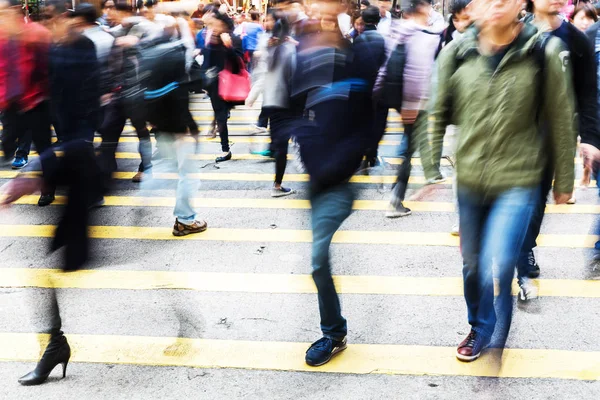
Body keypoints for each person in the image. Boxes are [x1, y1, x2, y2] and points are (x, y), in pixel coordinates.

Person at [422, 0, 576, 362]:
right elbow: (437, 109)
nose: (493, 5)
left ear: (521, 4)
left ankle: (495, 337)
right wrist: (431, 169)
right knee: (473, 263)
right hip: (471, 178)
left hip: (519, 178)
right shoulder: (457, 52)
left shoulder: (543, 50)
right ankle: (480, 325)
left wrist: (564, 180)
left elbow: (561, 116)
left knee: (501, 256)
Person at [1, 0, 103, 385]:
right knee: (49, 272)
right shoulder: (57, 51)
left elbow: (83, 126)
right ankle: (55, 345)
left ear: (66, 19)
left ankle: (55, 347)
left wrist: (36, 170)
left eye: (53, 20)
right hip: (71, 171)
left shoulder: (76, 52)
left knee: (48, 271)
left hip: (82, 175)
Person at [292, 1, 373, 367]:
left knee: (317, 260)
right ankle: (334, 331)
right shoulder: (306, 62)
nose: (324, 26)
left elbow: (368, 125)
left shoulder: (358, 63)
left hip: (338, 182)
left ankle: (333, 333)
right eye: (319, 20)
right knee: (318, 260)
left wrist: (341, 165)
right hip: (315, 179)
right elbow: (290, 112)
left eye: (331, 20)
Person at [518, 0, 600, 299]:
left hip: (552, 136)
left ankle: (525, 249)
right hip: (515, 135)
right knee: (516, 199)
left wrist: (590, 138)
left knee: (537, 200)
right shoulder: (516, 31)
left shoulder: (576, 40)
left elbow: (587, 92)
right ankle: (520, 257)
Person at [375, 0, 445, 218]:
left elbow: (385, 65)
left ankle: (396, 195)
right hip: (412, 103)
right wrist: (413, 106)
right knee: (408, 149)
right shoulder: (423, 35)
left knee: (408, 145)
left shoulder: (395, 28)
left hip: (395, 97)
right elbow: (417, 72)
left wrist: (378, 89)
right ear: (421, 8)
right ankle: (396, 201)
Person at [98, 2, 161, 185]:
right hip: (118, 92)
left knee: (142, 132)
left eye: (113, 10)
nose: (109, 14)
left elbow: (151, 48)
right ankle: (106, 172)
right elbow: (111, 40)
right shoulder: (118, 29)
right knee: (108, 131)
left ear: (125, 12)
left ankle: (146, 168)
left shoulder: (144, 27)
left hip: (139, 92)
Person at [0, 0, 55, 206]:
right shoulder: (2, 36)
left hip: (37, 102)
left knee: (44, 148)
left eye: (3, 12)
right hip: (11, 104)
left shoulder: (37, 33)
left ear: (16, 10)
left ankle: (48, 188)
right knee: (7, 144)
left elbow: (50, 71)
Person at [246, 13, 297, 197]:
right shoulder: (290, 51)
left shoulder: (271, 51)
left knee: (281, 146)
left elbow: (264, 78)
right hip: (288, 104)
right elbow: (295, 78)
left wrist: (253, 96)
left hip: (272, 103)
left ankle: (277, 184)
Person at [202, 9, 243, 162]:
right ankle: (225, 149)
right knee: (220, 117)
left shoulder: (234, 39)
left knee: (221, 117)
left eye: (213, 24)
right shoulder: (211, 39)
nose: (211, 28)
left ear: (224, 24)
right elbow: (207, 63)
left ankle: (225, 149)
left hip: (229, 85)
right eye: (209, 25)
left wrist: (229, 47)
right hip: (214, 86)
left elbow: (238, 66)